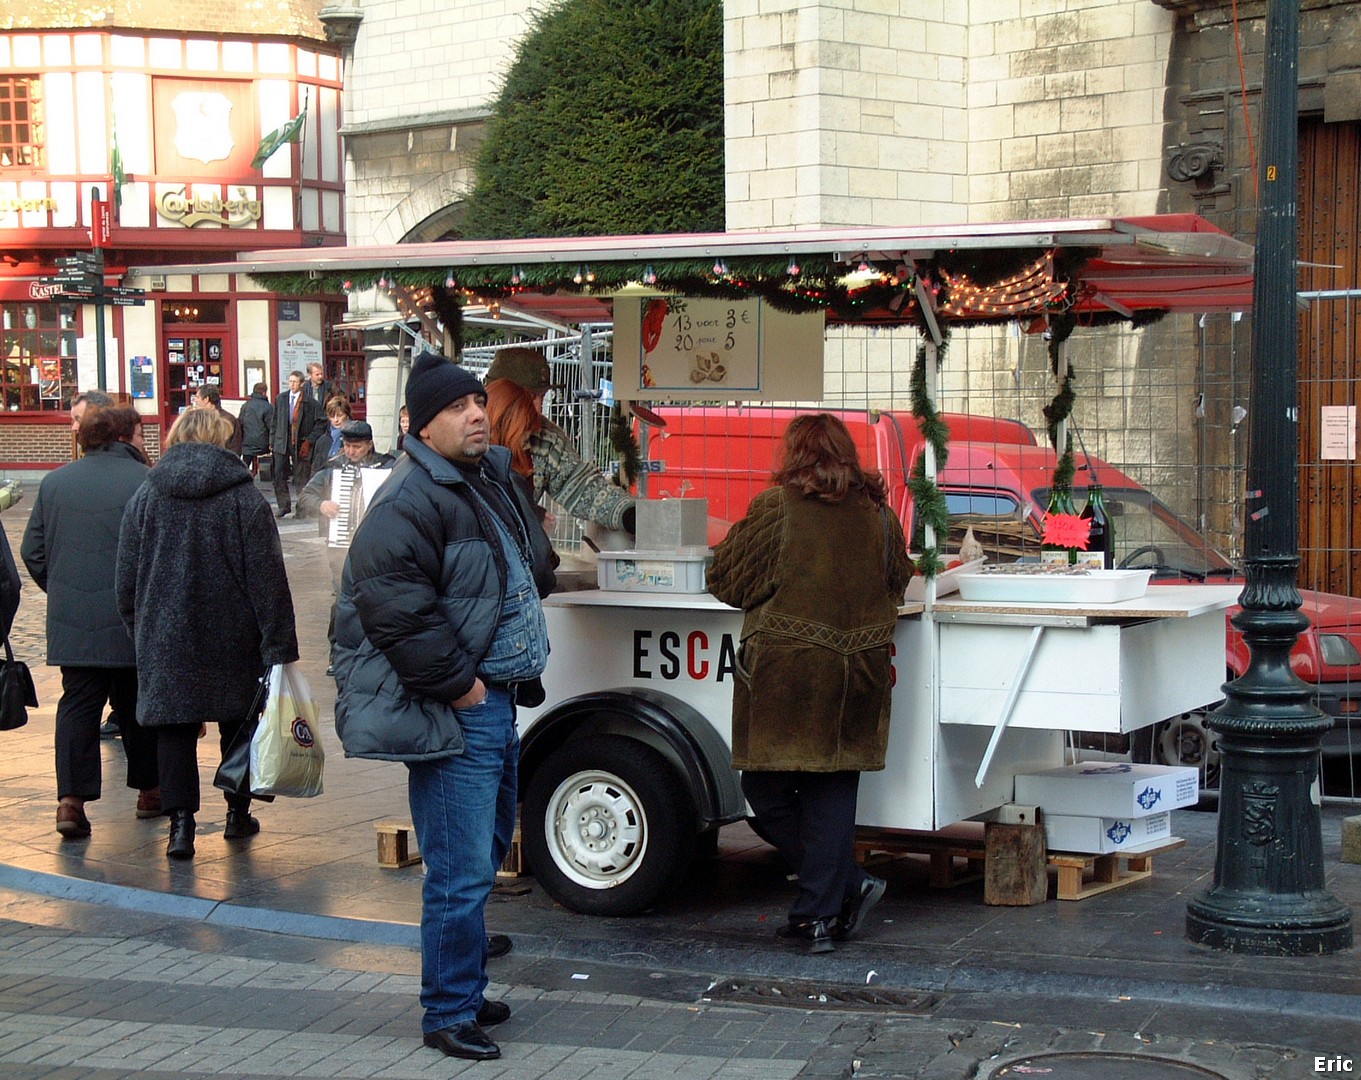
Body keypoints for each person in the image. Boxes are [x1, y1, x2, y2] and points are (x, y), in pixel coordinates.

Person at [333, 353, 554, 1062]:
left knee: (483, 855)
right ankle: (448, 1012)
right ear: (421, 425)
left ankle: (464, 984)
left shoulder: (479, 478)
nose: (475, 415)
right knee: (458, 870)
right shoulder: (409, 498)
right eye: (458, 407)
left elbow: (528, 563)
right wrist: (463, 686)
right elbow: (393, 609)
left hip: (495, 705)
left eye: (477, 403)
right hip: (462, 709)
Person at [706, 413, 914, 955]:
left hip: (791, 678)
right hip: (860, 677)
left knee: (766, 789)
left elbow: (725, 578)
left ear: (793, 455)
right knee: (832, 793)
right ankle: (823, 909)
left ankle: (834, 897)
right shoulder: (877, 513)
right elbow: (900, 580)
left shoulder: (779, 509)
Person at [116, 407, 299, 861]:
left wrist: (140, 631)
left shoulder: (147, 495)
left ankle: (181, 827)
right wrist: (278, 645)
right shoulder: (244, 498)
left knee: (173, 731)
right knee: (238, 723)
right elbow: (267, 578)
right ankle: (237, 813)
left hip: (165, 636)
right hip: (234, 635)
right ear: (224, 441)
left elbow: (126, 581)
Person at [21, 406, 161, 840]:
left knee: (78, 706)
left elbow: (33, 551)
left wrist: (62, 589)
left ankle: (71, 802)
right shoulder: (145, 482)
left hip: (74, 620)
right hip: (132, 618)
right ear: (123, 438)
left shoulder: (55, 482)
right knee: (137, 705)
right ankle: (150, 791)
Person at [483, 347, 636, 535]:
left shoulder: (545, 437)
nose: (539, 408)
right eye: (530, 397)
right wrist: (527, 514)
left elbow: (579, 486)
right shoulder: (466, 437)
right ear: (501, 393)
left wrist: (628, 514)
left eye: (543, 396)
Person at [297, 420, 396, 674]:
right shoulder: (333, 469)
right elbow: (306, 496)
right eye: (347, 446)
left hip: (378, 544)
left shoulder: (388, 467)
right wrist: (322, 505)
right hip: (341, 544)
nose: (351, 452)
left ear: (369, 444)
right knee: (341, 598)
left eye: (357, 446)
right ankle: (337, 651)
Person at [271, 370, 326, 517]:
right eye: (290, 381)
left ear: (302, 384)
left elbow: (321, 422)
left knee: (301, 476)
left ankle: (301, 508)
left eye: (295, 382)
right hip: (282, 441)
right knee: (278, 475)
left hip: (300, 443)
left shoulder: (310, 403)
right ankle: (283, 505)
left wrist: (310, 440)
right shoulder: (281, 399)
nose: (292, 385)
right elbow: (275, 421)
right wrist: (272, 441)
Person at [193, 384, 244, 456]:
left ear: (206, 399)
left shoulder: (227, 420)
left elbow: (235, 447)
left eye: (197, 397)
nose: (195, 400)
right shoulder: (197, 419)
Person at [238, 382, 273, 476]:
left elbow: (240, 422)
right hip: (263, 443)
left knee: (245, 465)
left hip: (247, 442)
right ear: (264, 393)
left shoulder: (246, 405)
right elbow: (271, 427)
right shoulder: (268, 407)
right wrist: (271, 442)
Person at [312, 396, 353, 466]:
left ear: (347, 415)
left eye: (340, 415)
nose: (336, 420)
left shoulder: (357, 437)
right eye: (332, 416)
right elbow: (316, 470)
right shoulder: (322, 441)